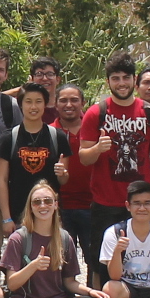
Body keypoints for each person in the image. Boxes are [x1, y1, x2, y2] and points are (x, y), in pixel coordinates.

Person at [79, 51, 150, 286]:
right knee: (100, 261)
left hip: (140, 202)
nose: (121, 83)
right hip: (105, 202)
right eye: (115, 78)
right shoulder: (96, 113)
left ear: (134, 80)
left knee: (140, 260)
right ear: (108, 81)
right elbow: (84, 157)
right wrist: (97, 148)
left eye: (126, 77)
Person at [0, 182, 113, 298]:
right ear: (30, 207)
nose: (42, 205)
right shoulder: (18, 239)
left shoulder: (64, 238)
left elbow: (69, 282)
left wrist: (90, 291)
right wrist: (33, 266)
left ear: (55, 205)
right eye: (37, 202)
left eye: (48, 201)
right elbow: (11, 284)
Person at [0, 82, 71, 231]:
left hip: (49, 215)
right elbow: (2, 180)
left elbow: (63, 180)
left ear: (45, 104)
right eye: (28, 101)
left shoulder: (58, 136)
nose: (33, 107)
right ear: (21, 105)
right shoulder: (8, 138)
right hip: (18, 215)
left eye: (38, 101)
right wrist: (6, 217)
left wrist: (63, 173)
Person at [51, 83, 95, 255]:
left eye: (74, 100)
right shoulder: (49, 132)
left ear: (83, 103)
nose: (69, 105)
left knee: (94, 258)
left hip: (91, 205)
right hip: (59, 207)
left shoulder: (95, 130)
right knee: (62, 259)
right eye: (63, 100)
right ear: (56, 104)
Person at [6, 56, 61, 123]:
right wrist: (25, 89)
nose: (45, 78)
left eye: (50, 74)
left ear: (57, 80)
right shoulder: (19, 104)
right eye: (39, 74)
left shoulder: (63, 106)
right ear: (32, 79)